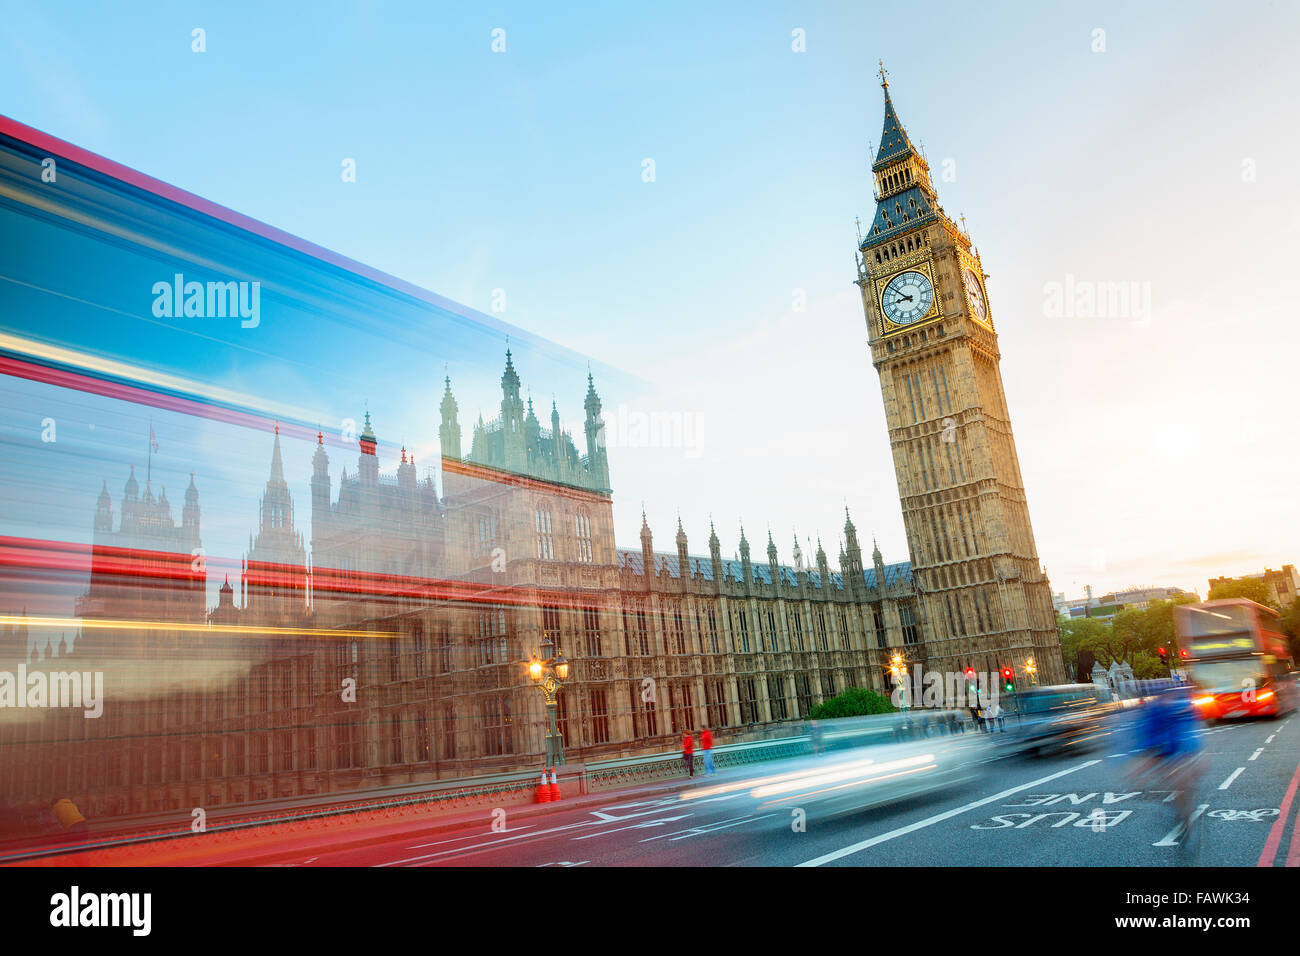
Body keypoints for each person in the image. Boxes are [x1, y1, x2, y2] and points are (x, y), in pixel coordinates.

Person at [1129, 686, 1205, 838]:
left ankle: (1185, 810)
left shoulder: (1180, 705)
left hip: (1184, 750)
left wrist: (1197, 756)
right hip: (1165, 750)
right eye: (1165, 695)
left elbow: (1191, 730)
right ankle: (1183, 812)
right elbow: (1148, 737)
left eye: (1170, 695)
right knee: (1175, 782)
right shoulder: (1155, 710)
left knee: (1182, 780)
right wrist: (1142, 768)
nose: (1168, 698)